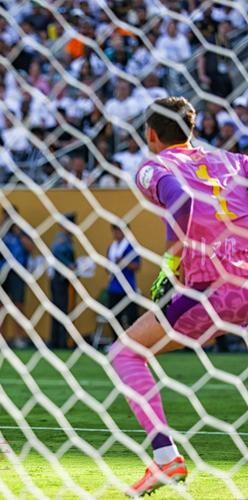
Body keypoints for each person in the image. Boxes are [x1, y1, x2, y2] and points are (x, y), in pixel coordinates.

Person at [111, 96, 248, 496]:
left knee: (125, 353)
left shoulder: (153, 167)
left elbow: (182, 200)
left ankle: (166, 457)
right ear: (192, 128)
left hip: (211, 285)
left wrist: (174, 260)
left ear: (151, 134)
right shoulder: (233, 161)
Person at [0, 208, 34, 348]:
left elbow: (31, 247)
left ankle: (19, 337)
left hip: (17, 272)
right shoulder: (0, 231)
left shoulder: (22, 231)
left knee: (18, 305)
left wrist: (18, 232)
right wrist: (1, 226)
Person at [105, 223, 140, 340]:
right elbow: (106, 268)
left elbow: (137, 266)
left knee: (132, 317)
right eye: (114, 230)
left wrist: (123, 261)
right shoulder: (111, 248)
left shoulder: (131, 247)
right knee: (114, 317)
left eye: (119, 230)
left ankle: (134, 342)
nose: (116, 233)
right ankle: (116, 342)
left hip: (128, 288)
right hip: (113, 287)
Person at [48, 212, 76, 349]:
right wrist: (68, 264)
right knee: (60, 308)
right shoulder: (61, 238)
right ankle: (58, 341)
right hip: (59, 279)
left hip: (64, 279)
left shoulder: (67, 238)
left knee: (63, 309)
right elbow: (56, 253)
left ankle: (61, 340)